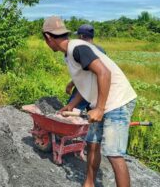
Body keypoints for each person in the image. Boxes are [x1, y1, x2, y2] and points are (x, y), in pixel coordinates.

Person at [42, 16, 137, 187]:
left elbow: (104, 73)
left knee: (113, 153)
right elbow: (87, 83)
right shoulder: (69, 54)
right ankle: (89, 183)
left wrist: (100, 109)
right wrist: (71, 105)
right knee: (93, 145)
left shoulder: (77, 48)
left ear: (48, 38)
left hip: (117, 101)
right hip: (102, 102)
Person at [66, 24, 106, 110]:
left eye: (77, 36)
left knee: (71, 111)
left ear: (81, 36)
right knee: (90, 115)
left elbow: (84, 75)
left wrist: (71, 84)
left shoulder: (81, 50)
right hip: (99, 87)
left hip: (85, 86)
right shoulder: (100, 49)